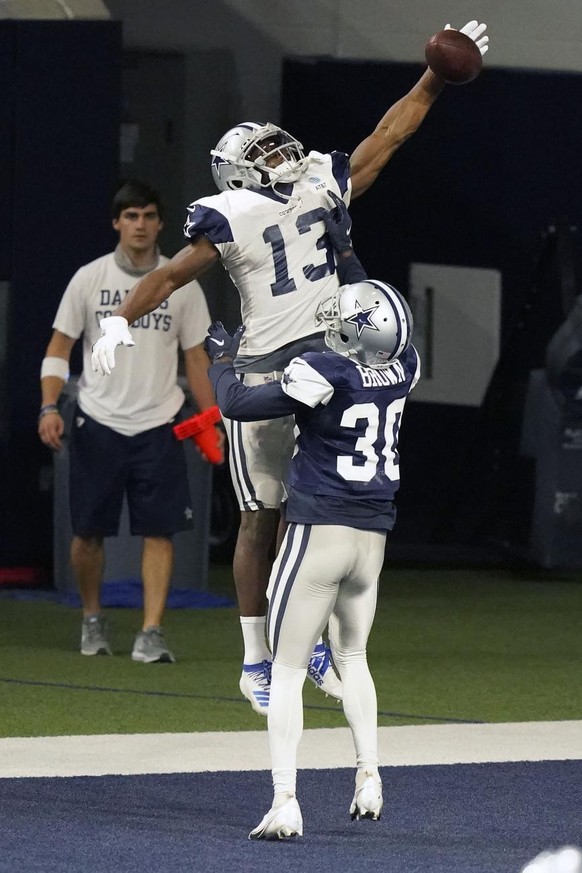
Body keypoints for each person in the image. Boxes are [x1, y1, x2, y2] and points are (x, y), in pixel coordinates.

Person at [90, 20, 488, 707]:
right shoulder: (230, 210)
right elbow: (175, 273)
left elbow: (391, 133)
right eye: (264, 150)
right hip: (266, 365)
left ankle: (317, 650)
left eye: (277, 141)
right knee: (259, 516)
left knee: (324, 521)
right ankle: (254, 658)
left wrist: (432, 77)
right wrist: (118, 321)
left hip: (331, 366)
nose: (281, 151)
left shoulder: (320, 182)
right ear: (241, 170)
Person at [203, 194, 419, 839]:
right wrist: (347, 253)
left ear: (350, 333)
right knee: (353, 656)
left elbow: (241, 405)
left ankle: (286, 799)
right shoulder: (404, 366)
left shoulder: (323, 369)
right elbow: (368, 309)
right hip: (373, 537)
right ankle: (370, 777)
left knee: (289, 669)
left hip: (319, 530)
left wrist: (219, 360)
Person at [38, 180, 221, 663]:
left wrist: (210, 419)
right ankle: (92, 618)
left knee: (159, 532)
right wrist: (49, 406)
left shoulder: (181, 282)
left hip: (158, 422)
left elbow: (196, 358)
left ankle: (151, 631)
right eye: (131, 216)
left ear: (161, 224)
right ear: (117, 223)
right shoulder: (89, 279)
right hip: (98, 419)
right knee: (87, 533)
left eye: (148, 216)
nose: (140, 225)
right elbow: (60, 346)